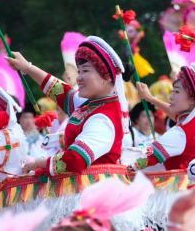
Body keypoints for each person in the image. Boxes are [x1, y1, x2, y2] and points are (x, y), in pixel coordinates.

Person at [7, 36, 133, 176]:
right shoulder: (93, 104)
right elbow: (60, 91)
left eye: (85, 71)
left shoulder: (104, 118)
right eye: (78, 71)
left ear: (107, 76)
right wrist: (27, 68)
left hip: (94, 192)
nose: (78, 78)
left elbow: (76, 159)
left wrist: (38, 163)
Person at [132, 64, 195, 171]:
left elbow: (143, 159)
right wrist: (150, 98)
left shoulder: (181, 133)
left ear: (192, 100)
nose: (171, 97)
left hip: (173, 187)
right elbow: (175, 114)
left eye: (176, 91)